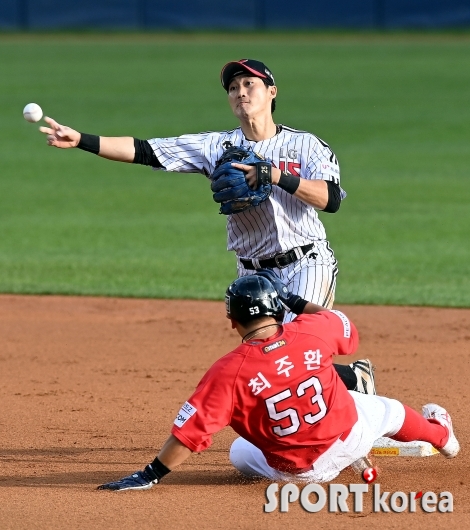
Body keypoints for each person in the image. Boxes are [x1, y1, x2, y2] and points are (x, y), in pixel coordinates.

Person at [38, 58, 373, 394]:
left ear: (272, 92)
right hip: (252, 275)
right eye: (232, 88)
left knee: (289, 350)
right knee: (269, 357)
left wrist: (275, 176)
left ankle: (341, 411)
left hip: (306, 263)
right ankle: (352, 381)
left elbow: (331, 199)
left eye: (249, 84)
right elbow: (145, 150)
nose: (240, 92)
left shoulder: (306, 145)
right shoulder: (215, 146)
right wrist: (81, 139)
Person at [97, 273, 459, 491]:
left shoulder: (228, 372)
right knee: (389, 410)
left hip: (302, 473)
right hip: (352, 434)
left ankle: (331, 453)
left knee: (239, 451)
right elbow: (344, 326)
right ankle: (443, 437)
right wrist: (298, 303)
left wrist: (151, 474)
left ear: (232, 321)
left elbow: (189, 434)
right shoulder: (313, 329)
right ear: (277, 309)